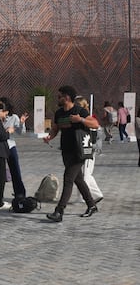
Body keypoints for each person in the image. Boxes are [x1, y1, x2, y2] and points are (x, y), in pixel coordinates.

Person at [44, 85, 99, 222]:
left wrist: (80, 120)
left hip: (79, 151)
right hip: (66, 151)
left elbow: (95, 124)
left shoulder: (79, 111)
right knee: (78, 179)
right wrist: (49, 137)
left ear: (67, 97)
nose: (58, 99)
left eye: (59, 96)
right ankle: (91, 205)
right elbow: (56, 128)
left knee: (68, 179)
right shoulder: (59, 113)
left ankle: (59, 211)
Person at [73, 96, 104, 204]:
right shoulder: (85, 119)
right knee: (85, 174)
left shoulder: (87, 119)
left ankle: (84, 196)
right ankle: (96, 194)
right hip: (86, 150)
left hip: (87, 150)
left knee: (85, 174)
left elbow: (96, 135)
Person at [0, 97, 28, 199]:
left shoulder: (13, 117)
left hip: (10, 145)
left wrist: (21, 122)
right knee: (0, 173)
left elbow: (21, 132)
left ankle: (20, 193)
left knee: (15, 170)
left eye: (1, 105)